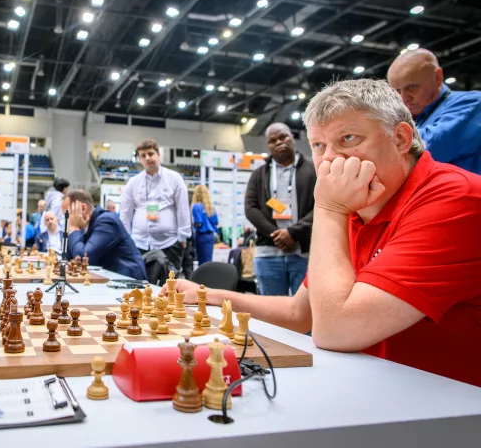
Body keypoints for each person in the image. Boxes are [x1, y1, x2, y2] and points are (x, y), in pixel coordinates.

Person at [168, 79, 481, 388]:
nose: (329, 159)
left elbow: (335, 329)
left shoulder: (456, 200)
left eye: (348, 138)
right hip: (378, 391)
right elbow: (300, 313)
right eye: (318, 145)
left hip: (450, 414)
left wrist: (329, 207)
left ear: (400, 138)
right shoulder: (361, 204)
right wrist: (209, 296)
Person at [245, 123, 315, 296]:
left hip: (303, 252)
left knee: (305, 314)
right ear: (268, 145)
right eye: (272, 140)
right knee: (271, 314)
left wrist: (293, 233)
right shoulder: (259, 174)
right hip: (268, 253)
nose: (278, 142)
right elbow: (250, 208)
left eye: (283, 137)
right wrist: (277, 234)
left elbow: (322, 206)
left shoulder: (313, 170)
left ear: (292, 137)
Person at [387, 48, 481, 174]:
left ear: (437, 78)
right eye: (397, 91)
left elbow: (429, 147)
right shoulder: (417, 118)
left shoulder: (472, 103)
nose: (404, 98)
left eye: (412, 87)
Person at [119, 139, 191, 276]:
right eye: (143, 155)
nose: (148, 158)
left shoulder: (174, 178)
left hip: (169, 244)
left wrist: (182, 238)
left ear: (158, 155)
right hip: (139, 243)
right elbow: (125, 214)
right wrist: (126, 240)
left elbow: (183, 209)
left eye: (151, 154)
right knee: (141, 287)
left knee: (169, 288)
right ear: (139, 159)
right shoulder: (133, 183)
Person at [63, 190, 148, 280]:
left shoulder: (106, 221)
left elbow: (83, 258)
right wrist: (72, 231)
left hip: (130, 282)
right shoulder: (83, 225)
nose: (67, 221)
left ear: (83, 209)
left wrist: (73, 229)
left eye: (67, 215)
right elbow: (68, 259)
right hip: (110, 279)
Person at [190, 184, 219, 265]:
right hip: (210, 236)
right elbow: (216, 222)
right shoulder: (211, 207)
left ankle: (202, 277)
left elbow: (198, 223)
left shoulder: (196, 206)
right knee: (208, 260)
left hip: (201, 236)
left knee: (201, 262)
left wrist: (192, 224)